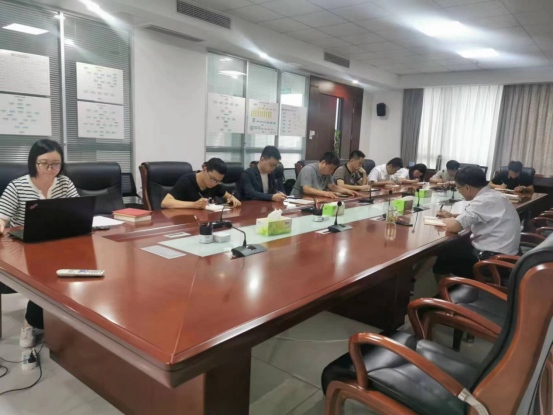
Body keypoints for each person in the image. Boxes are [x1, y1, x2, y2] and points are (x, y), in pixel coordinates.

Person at [0, 139, 80, 348]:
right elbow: (1, 218)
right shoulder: (17, 186)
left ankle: (68, 319)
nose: (50, 169)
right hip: (25, 246)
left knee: (81, 268)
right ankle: (30, 322)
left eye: (56, 164)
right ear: (33, 162)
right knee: (48, 275)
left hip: (58, 243)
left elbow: (78, 210)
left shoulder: (65, 183)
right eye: (44, 163)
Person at [433, 166, 521, 279]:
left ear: (467, 188)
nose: (459, 191)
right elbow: (481, 216)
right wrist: (453, 216)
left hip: (492, 265)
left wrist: (447, 221)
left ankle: (446, 288)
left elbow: (454, 227)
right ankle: (455, 285)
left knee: (445, 252)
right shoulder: (495, 195)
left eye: (458, 188)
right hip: (509, 259)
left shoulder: (482, 201)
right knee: (455, 246)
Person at [161, 158, 241, 209]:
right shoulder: (186, 181)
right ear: (204, 169)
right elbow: (165, 202)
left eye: (218, 181)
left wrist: (232, 199)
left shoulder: (216, 184)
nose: (214, 183)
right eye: (212, 179)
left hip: (203, 220)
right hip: (184, 222)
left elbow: (227, 195)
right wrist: (193, 205)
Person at [291, 152, 359, 199]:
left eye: (333, 169)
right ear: (323, 162)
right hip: (298, 200)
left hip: (315, 198)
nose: (331, 171)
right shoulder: (308, 169)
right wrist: (326, 193)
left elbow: (333, 187)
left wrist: (347, 191)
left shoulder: (327, 173)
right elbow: (307, 189)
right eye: (330, 168)